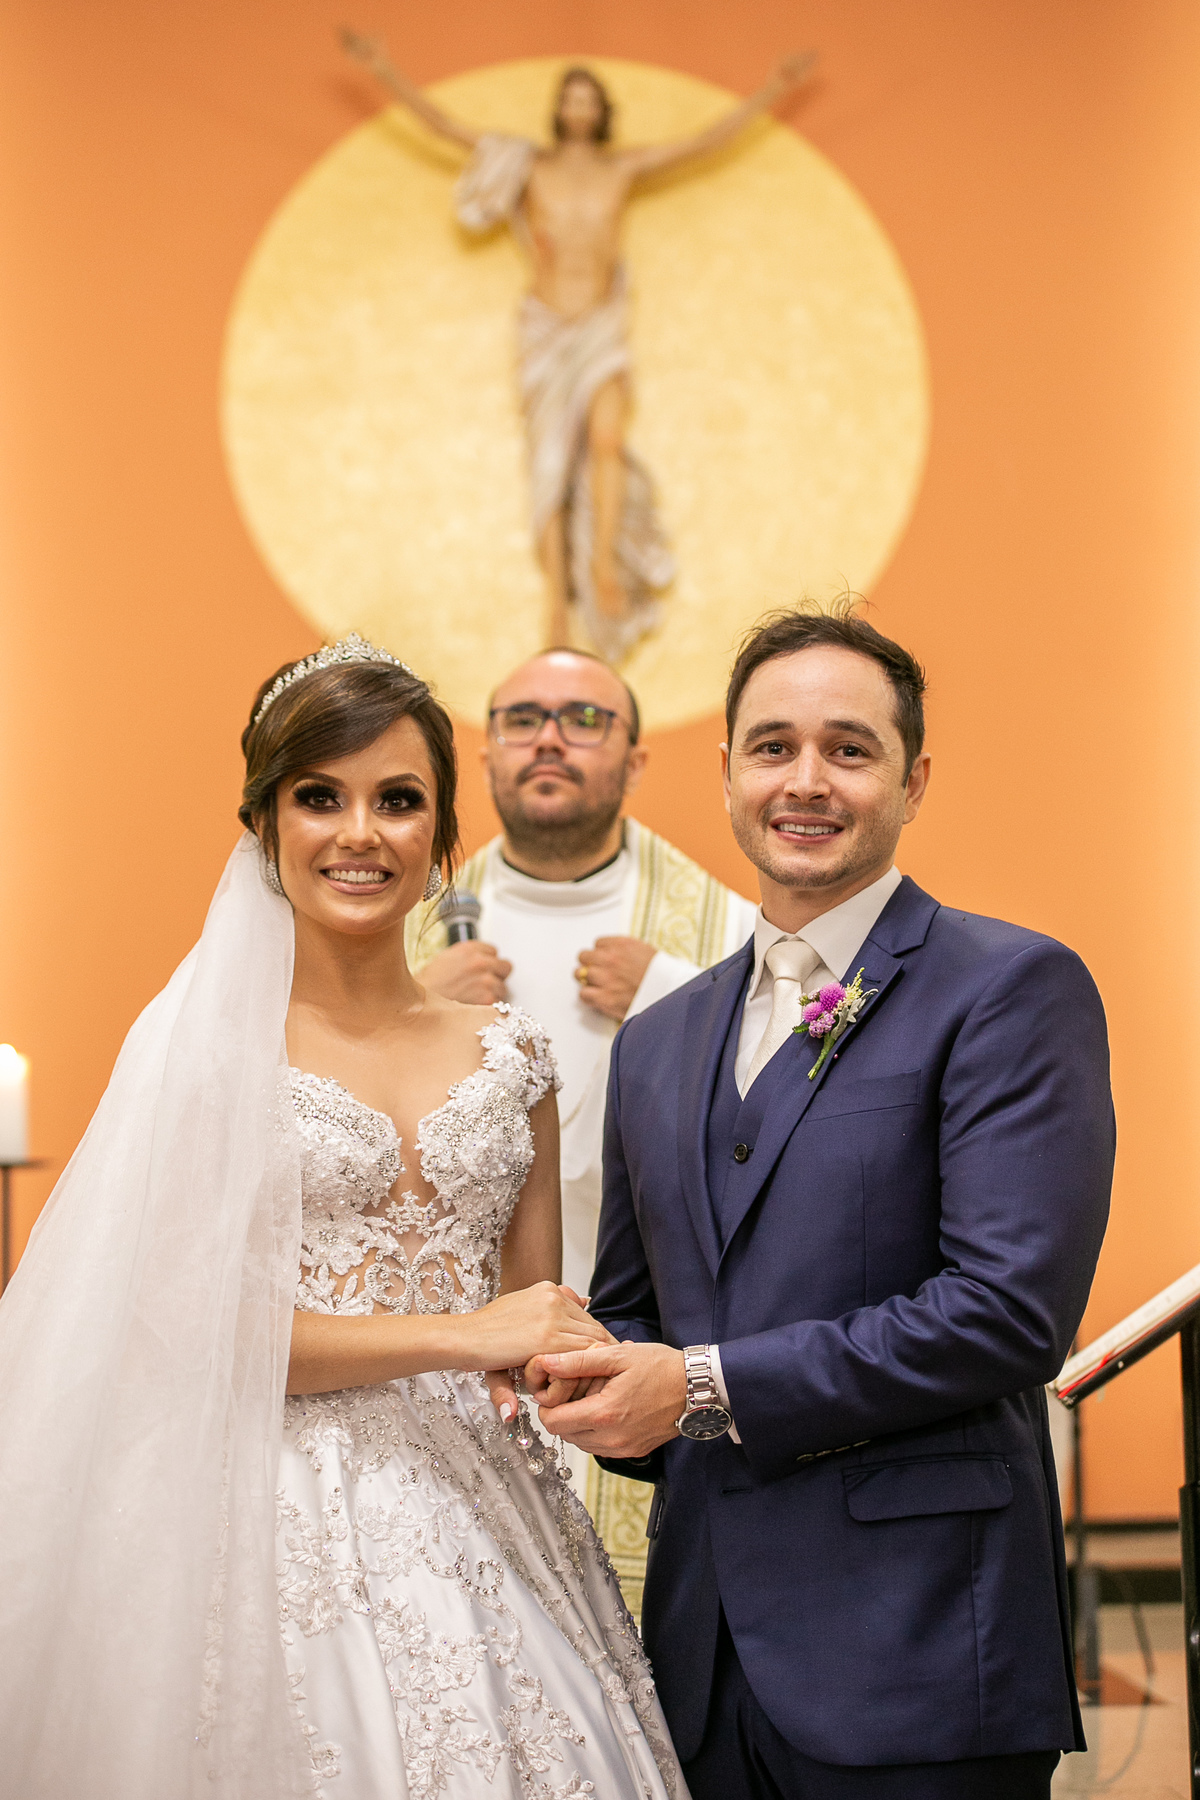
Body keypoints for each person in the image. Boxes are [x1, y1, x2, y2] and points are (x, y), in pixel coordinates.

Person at [0, 634, 686, 1800]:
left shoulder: (512, 1059)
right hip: (261, 1511)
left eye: (399, 800)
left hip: (490, 1516)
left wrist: (627, 1377)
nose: (360, 833)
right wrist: (462, 1335)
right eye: (320, 797)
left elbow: (531, 1327)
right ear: (264, 823)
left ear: (442, 834)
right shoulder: (201, 1057)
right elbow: (188, 1336)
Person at [524, 604, 1115, 1797]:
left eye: (850, 749)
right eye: (773, 746)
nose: (807, 781)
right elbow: (641, 1312)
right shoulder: (657, 1041)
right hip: (700, 1649)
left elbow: (1006, 1314)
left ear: (915, 780)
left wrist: (694, 1387)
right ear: (728, 770)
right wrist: (577, 1379)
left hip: (923, 1648)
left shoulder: (1007, 989)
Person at [407, 645, 756, 1607]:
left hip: (644, 1345)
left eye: (584, 718)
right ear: (484, 759)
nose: (550, 738)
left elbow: (788, 1129)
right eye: (522, 718)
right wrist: (409, 1008)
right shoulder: (400, 933)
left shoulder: (724, 936)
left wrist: (678, 998)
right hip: (451, 1358)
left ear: (637, 761)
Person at [342, 37, 815, 655]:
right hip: (545, 326)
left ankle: (603, 569)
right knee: (551, 468)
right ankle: (555, 617)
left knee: (607, 441)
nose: (579, 106)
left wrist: (773, 88)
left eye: (589, 97)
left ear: (602, 111)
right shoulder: (530, 165)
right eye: (570, 96)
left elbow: (704, 141)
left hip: (600, 326)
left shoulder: (622, 168)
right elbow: (444, 127)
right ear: (559, 109)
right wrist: (381, 68)